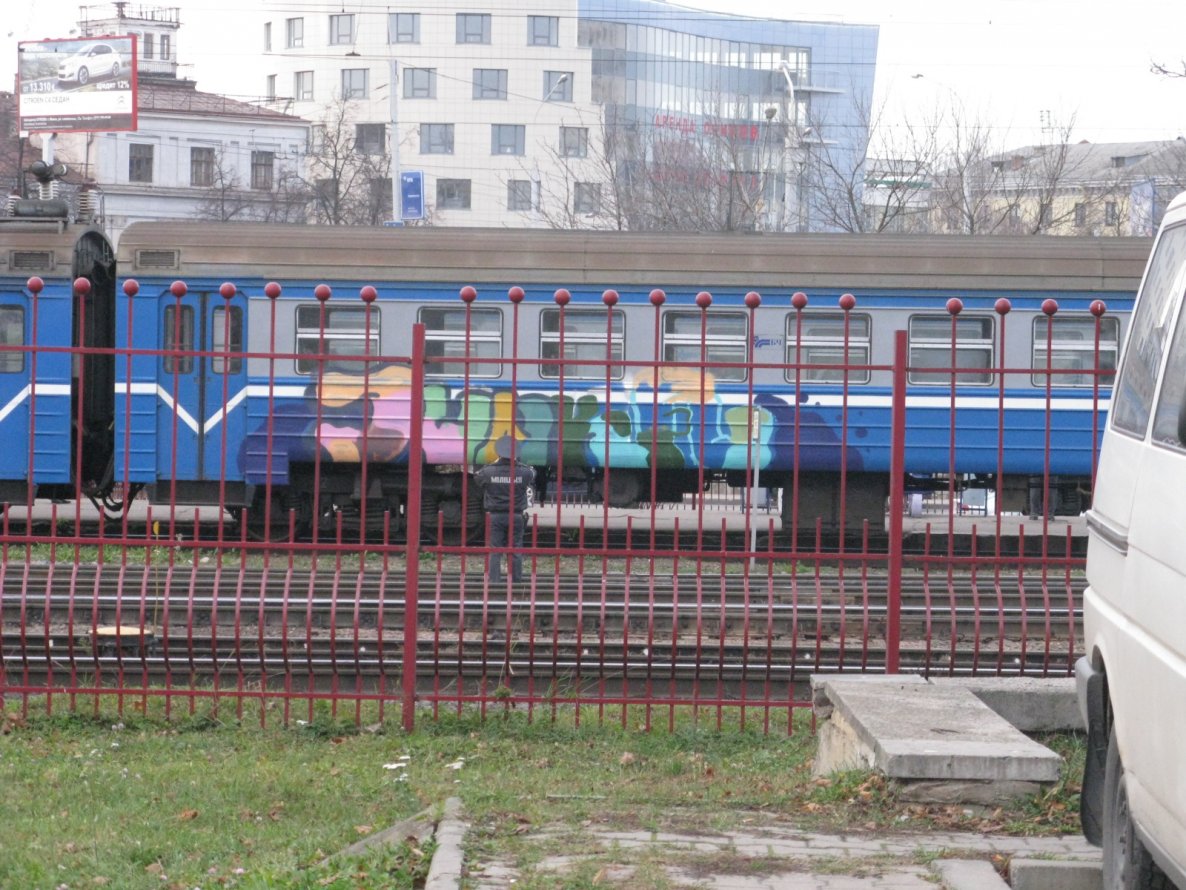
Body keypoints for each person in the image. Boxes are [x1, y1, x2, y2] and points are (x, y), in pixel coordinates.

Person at [474, 435, 536, 584]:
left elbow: (477, 479)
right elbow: (533, 476)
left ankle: (494, 580)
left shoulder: (488, 472)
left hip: (495, 516)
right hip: (516, 516)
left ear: (498, 452)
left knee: (495, 549)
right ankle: (516, 579)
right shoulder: (525, 472)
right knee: (515, 548)